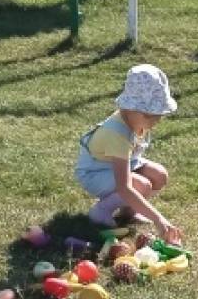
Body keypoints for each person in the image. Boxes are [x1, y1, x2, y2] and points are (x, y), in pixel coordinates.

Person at [75, 64, 183, 244]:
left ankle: (129, 211)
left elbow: (130, 160)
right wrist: (159, 219)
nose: (155, 120)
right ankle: (101, 211)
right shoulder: (117, 134)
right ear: (129, 108)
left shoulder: (135, 121)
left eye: (158, 115)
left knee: (159, 176)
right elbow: (125, 187)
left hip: (119, 164)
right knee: (141, 185)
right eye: (149, 115)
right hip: (95, 173)